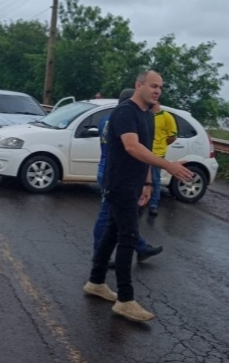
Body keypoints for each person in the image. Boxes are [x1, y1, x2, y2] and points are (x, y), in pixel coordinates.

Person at [83, 71, 194, 322]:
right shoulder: (124, 113)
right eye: (153, 86)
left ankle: (96, 281)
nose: (158, 91)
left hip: (133, 184)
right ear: (139, 85)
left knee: (112, 232)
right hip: (119, 184)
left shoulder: (148, 116)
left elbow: (145, 150)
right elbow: (131, 147)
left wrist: (147, 182)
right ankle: (125, 299)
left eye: (161, 87)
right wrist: (168, 166)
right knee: (128, 237)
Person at [92, 89, 163, 266]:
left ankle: (140, 247)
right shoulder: (125, 119)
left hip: (105, 169)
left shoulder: (105, 120)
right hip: (117, 174)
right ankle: (99, 255)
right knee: (109, 216)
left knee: (120, 216)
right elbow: (133, 148)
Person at [147, 99, 178, 217]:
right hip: (145, 151)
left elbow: (172, 136)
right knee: (143, 178)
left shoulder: (166, 117)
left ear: (158, 103)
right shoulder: (146, 115)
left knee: (155, 178)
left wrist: (162, 144)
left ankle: (153, 204)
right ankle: (141, 201)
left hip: (158, 153)